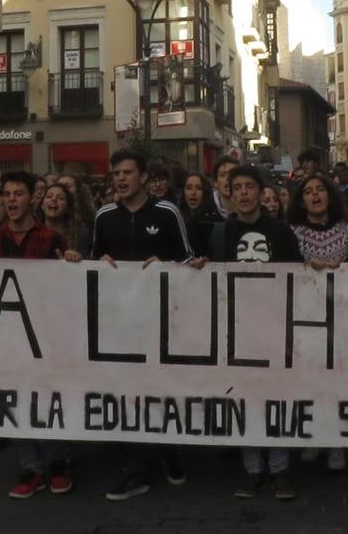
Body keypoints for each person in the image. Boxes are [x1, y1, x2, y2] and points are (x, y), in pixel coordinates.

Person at [63, 148, 202, 501]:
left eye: (127, 173)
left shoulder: (168, 212)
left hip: (159, 321)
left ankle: (169, 451)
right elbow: (95, 260)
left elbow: (187, 258)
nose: (121, 179)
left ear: (143, 177)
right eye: (116, 174)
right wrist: (93, 261)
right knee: (126, 391)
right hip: (119, 323)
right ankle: (135, 468)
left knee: (160, 388)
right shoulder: (104, 216)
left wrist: (170, 263)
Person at [0, 171, 72, 498]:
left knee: (51, 395)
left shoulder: (52, 239)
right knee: (22, 398)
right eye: (8, 194)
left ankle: (57, 462)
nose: (12, 200)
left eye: (18, 194)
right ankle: (31, 466)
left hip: (48, 335)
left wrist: (73, 263)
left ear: (33, 199)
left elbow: (67, 287)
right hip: (11, 340)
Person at [213, 164, 302, 501]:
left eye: (250, 186)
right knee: (244, 399)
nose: (245, 193)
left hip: (276, 326)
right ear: (230, 193)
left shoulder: (281, 232)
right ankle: (252, 469)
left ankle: (279, 468)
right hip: (236, 329)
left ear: (260, 192)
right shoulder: (221, 233)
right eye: (238, 188)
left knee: (276, 398)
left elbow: (295, 276)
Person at [286, 172, 348, 472]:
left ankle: (337, 441)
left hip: (342, 317)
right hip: (306, 319)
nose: (315, 195)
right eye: (308, 191)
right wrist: (306, 268)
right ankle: (315, 435)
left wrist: (344, 270)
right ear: (301, 200)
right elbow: (286, 268)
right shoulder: (292, 233)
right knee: (310, 382)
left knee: (337, 382)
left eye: (320, 190)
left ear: (330, 195)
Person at [180, 170, 222, 257]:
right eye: (189, 188)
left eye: (199, 188)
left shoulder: (213, 221)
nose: (193, 193)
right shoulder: (177, 218)